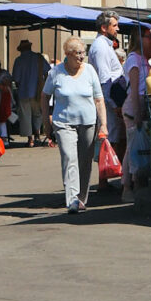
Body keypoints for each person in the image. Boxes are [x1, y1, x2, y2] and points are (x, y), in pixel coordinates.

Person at [42, 37, 107, 213]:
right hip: (63, 123)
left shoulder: (90, 71)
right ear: (68, 54)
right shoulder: (56, 73)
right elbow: (45, 96)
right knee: (69, 158)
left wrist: (104, 125)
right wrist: (46, 122)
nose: (82, 57)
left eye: (83, 53)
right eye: (78, 53)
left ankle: (81, 198)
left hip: (88, 122)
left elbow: (99, 99)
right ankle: (72, 199)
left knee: (85, 161)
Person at [87, 11, 125, 179]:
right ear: (104, 28)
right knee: (110, 139)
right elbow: (104, 80)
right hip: (109, 100)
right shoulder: (101, 48)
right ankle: (105, 177)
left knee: (111, 138)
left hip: (111, 98)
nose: (117, 29)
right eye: (114, 26)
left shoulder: (105, 45)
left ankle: (108, 176)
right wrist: (113, 104)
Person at [122, 26, 151, 199]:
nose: (150, 39)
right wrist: (137, 113)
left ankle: (138, 184)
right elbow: (135, 89)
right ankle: (127, 187)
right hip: (134, 106)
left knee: (140, 147)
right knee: (132, 148)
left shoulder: (144, 59)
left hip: (144, 106)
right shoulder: (133, 59)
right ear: (139, 38)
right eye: (148, 36)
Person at [11, 40, 50, 147]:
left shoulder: (18, 60)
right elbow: (48, 72)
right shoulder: (39, 58)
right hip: (38, 91)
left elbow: (16, 78)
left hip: (23, 92)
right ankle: (37, 133)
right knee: (38, 113)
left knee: (25, 115)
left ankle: (30, 139)